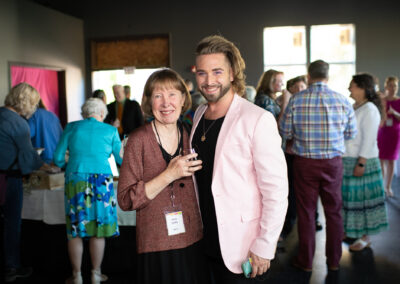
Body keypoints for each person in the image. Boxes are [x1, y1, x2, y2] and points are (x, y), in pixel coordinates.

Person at [192, 35, 288, 283]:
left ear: (232, 73)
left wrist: (265, 246)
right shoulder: (199, 114)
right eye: (202, 73)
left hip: (242, 245)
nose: (209, 80)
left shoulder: (257, 118)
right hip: (203, 239)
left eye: (217, 72)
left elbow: (276, 190)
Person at [117, 69, 206, 284]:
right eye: (158, 96)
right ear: (149, 102)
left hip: (194, 238)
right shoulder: (138, 140)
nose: (166, 103)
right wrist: (168, 175)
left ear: (183, 99)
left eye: (172, 94)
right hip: (156, 243)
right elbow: (126, 199)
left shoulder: (191, 134)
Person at [280, 60, 357, 272]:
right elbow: (351, 133)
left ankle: (305, 262)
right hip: (333, 163)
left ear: (309, 75)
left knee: (306, 212)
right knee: (334, 212)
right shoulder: (342, 100)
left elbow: (284, 132)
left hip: (305, 163)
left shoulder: (296, 100)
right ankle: (333, 262)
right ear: (328, 76)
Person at [53, 98, 122, 284]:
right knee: (98, 228)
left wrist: (68, 160)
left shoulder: (72, 127)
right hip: (102, 182)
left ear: (84, 114)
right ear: (102, 114)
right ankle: (96, 274)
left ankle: (77, 276)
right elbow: (122, 160)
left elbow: (58, 158)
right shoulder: (111, 130)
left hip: (76, 178)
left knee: (75, 228)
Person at [0, 83, 56, 282]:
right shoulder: (18, 123)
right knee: (11, 224)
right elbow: (29, 158)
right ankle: (11, 267)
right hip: (8, 179)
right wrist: (49, 168)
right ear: (27, 102)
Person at [343, 73, 388, 251]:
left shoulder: (369, 109)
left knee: (364, 201)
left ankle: (365, 236)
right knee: (352, 200)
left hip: (363, 160)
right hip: (350, 158)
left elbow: (369, 139)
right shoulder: (356, 106)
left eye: (352, 85)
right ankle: (353, 231)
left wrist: (361, 162)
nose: (349, 88)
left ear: (363, 88)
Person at [377, 76, 400, 197]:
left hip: (395, 133)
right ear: (386, 87)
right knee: (381, 160)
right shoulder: (382, 100)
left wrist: (394, 113)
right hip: (382, 132)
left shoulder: (399, 101)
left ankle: (388, 187)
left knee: (391, 160)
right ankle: (381, 186)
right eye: (390, 85)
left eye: (395, 86)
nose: (392, 88)